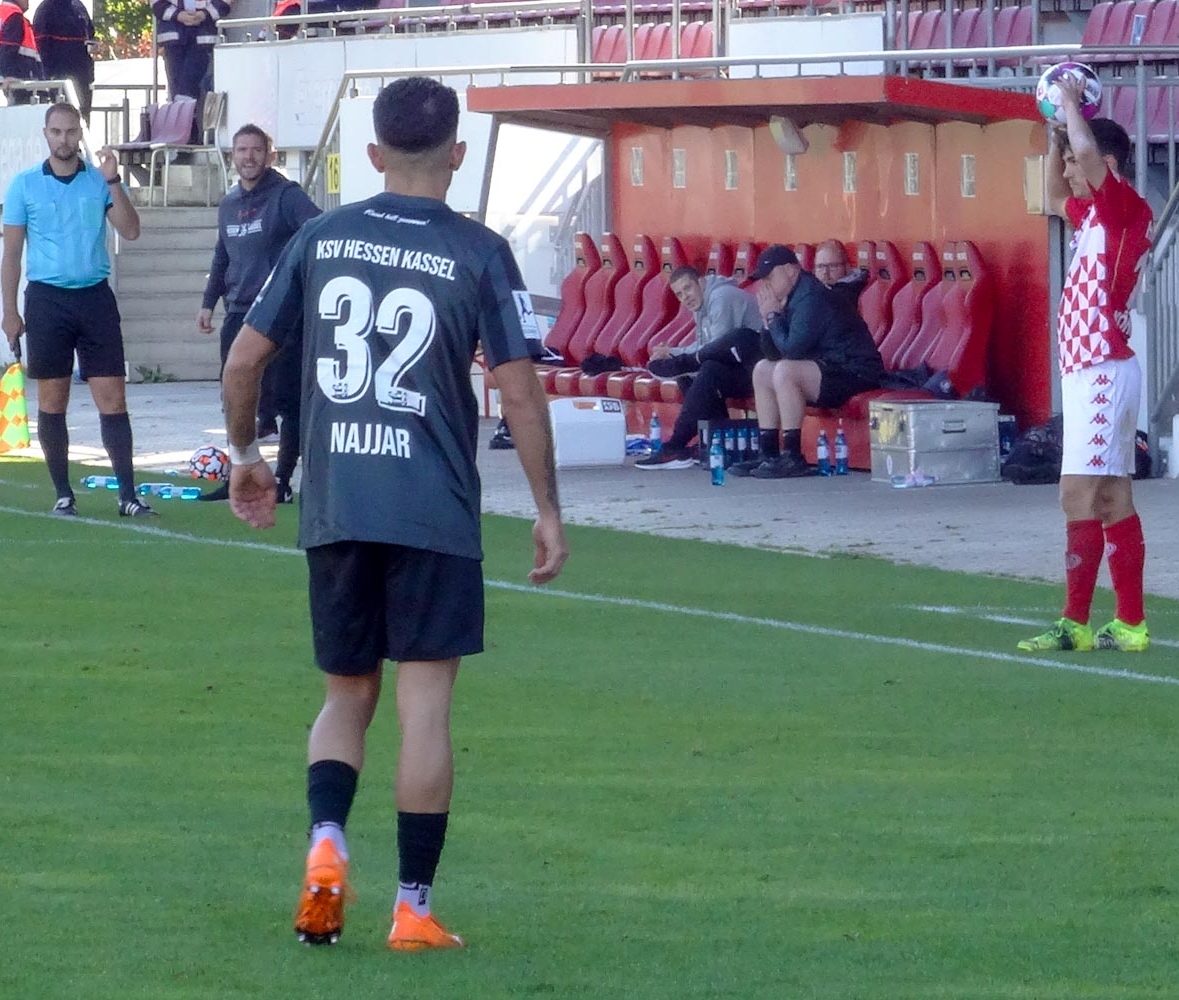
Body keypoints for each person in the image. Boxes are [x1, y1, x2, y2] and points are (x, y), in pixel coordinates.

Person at [221, 76, 568, 951]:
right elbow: (519, 392)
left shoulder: (318, 237)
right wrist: (547, 509)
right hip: (433, 510)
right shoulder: (479, 251)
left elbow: (243, 362)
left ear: (373, 154)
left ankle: (327, 842)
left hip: (339, 503)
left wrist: (247, 457)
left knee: (346, 695)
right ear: (459, 153)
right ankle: (412, 908)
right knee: (425, 707)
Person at [1017, 77, 1153, 654]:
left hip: (1102, 367)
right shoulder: (1096, 214)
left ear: (1107, 165)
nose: (1071, 171)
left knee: (1075, 494)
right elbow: (1052, 196)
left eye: (1075, 161)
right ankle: (1130, 624)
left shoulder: (1123, 207)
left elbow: (1090, 159)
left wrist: (1071, 105)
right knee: (1111, 498)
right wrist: (1055, 138)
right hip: (1090, 370)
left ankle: (1074, 622)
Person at [0, 102, 155, 518]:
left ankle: (127, 495)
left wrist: (114, 181)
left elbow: (131, 230)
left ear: (79, 134)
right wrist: (10, 312)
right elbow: (11, 254)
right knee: (53, 399)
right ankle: (63, 493)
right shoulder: (24, 185)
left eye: (70, 131)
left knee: (113, 396)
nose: (64, 139)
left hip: (94, 298)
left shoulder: (99, 180)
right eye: (56, 131)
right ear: (45, 134)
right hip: (46, 300)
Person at [196, 124, 321, 503]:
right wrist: (208, 302)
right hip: (238, 312)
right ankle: (239, 470)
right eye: (241, 150)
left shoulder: (287, 196)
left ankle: (282, 480)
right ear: (232, 155)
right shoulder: (229, 203)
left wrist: (300, 283)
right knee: (235, 397)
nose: (248, 157)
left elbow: (317, 232)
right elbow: (222, 254)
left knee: (288, 402)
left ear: (270, 155)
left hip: (281, 314)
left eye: (256, 150)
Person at [728, 245, 885, 480]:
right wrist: (768, 320)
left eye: (770, 277)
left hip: (855, 372)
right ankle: (768, 452)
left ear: (791, 270)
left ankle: (792, 456)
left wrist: (773, 316)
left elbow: (792, 350)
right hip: (828, 368)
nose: (765, 286)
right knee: (762, 369)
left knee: (785, 371)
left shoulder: (811, 296)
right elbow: (771, 354)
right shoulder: (789, 297)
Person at [633, 264, 760, 470]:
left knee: (709, 370)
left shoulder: (721, 297)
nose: (686, 297)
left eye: (688, 288)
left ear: (701, 282)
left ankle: (675, 446)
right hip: (737, 365)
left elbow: (714, 348)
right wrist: (671, 352)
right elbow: (703, 347)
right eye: (679, 294)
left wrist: (678, 359)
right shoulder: (701, 306)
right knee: (687, 374)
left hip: (759, 370)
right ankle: (715, 443)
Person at [152, 1, 229, 106]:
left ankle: (183, 111)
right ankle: (183, 111)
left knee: (189, 87)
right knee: (180, 88)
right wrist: (178, 15)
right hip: (174, 36)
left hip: (204, 36)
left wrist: (204, 14)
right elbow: (156, 3)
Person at [33, 0, 96, 121]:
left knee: (82, 120)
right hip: (58, 82)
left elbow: (91, 35)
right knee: (61, 121)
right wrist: (48, 78)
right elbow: (41, 48)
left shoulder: (79, 7)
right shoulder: (45, 9)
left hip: (82, 79)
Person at [0, 0, 44, 106]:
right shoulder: (14, 16)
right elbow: (9, 48)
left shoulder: (1, 13)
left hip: (1, 78)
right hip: (20, 81)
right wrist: (9, 76)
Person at [812, 238, 868, 309]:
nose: (825, 272)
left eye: (832, 266)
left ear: (847, 267)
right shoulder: (814, 289)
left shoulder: (851, 291)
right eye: (820, 266)